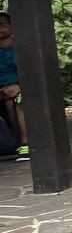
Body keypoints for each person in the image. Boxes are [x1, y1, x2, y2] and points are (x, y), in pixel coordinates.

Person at [0, 12, 29, 161]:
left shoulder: (21, 48)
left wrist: (19, 85)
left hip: (19, 88)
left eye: (2, 25)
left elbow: (30, 71)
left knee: (14, 101)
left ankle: (24, 143)